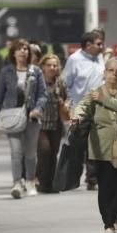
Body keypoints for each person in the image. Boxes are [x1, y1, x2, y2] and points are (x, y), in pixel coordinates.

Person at [74, 58, 117, 233]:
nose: (114, 74)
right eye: (110, 70)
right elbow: (82, 107)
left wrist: (106, 100)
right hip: (102, 148)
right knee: (106, 187)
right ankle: (108, 223)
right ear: (104, 72)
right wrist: (76, 118)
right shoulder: (95, 93)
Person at [0, 39, 48, 199]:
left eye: (25, 49)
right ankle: (16, 182)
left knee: (30, 153)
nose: (23, 51)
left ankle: (30, 181)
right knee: (16, 152)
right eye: (19, 49)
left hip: (32, 118)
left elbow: (43, 94)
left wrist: (38, 108)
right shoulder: (6, 72)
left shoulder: (35, 71)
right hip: (12, 116)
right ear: (13, 53)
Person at [63, 31, 106, 189]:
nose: (102, 46)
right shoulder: (74, 60)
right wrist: (69, 105)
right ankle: (72, 179)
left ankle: (92, 178)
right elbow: (66, 83)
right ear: (88, 45)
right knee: (78, 147)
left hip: (98, 108)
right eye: (99, 44)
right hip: (79, 109)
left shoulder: (101, 58)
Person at [36, 53, 68, 193]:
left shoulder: (60, 82)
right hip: (40, 123)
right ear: (43, 67)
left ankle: (50, 183)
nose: (52, 68)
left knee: (54, 153)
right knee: (45, 151)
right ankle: (41, 180)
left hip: (56, 122)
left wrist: (64, 102)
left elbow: (68, 98)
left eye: (55, 65)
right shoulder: (38, 80)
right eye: (49, 65)